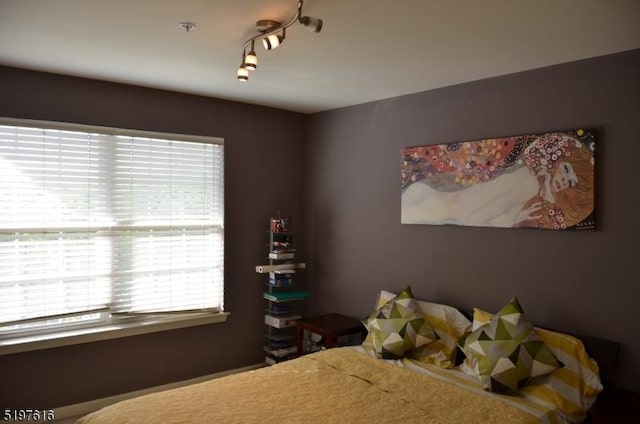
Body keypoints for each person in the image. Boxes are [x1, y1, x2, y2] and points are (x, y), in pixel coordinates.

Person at [401, 131, 594, 230]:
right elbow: (474, 219)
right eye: (567, 170)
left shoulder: (532, 181)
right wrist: (516, 221)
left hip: (430, 202)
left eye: (571, 182)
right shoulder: (530, 183)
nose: (565, 181)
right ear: (557, 159)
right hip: (434, 210)